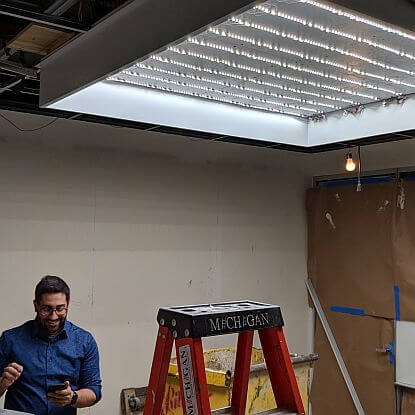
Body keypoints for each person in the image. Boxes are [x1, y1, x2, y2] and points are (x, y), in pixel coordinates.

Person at [0, 275, 102, 414]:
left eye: (60, 309)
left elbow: (94, 390)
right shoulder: (10, 340)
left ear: (67, 305)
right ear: (36, 305)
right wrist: (3, 383)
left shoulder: (84, 341)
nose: (53, 316)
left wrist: (72, 397)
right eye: (46, 309)